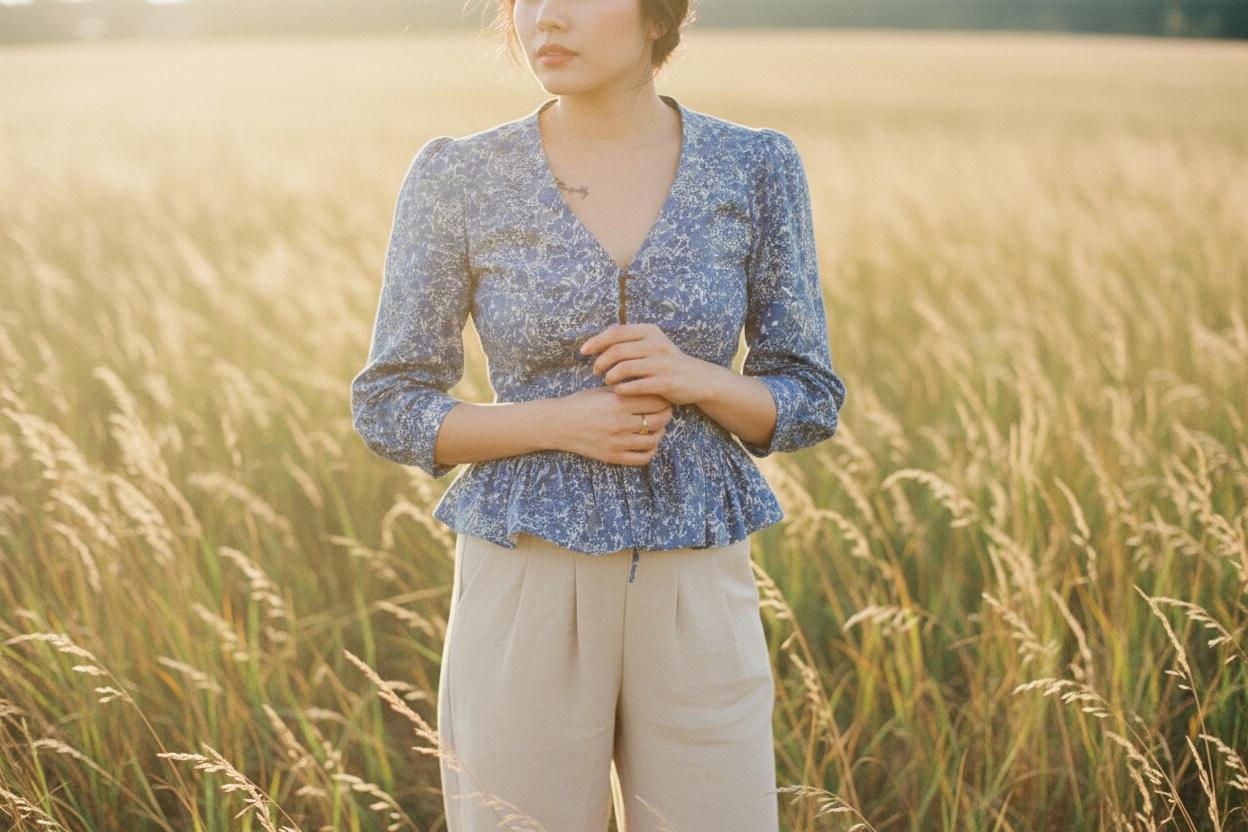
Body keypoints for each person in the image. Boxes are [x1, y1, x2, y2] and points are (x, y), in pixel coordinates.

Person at [350, 0, 847, 829]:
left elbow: (808, 395)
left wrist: (700, 380)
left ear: (659, 15)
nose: (547, 18)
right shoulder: (460, 175)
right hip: (525, 576)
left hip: (697, 579)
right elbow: (389, 404)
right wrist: (556, 424)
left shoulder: (755, 166)